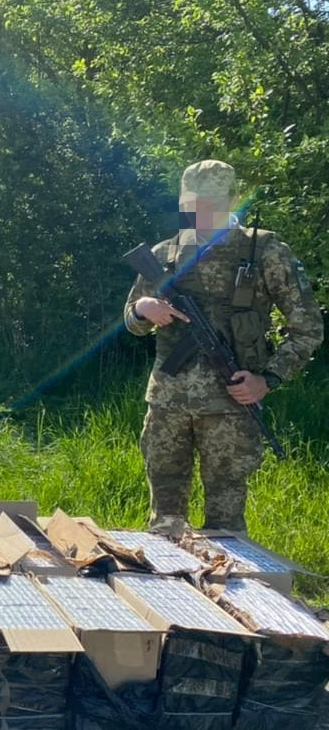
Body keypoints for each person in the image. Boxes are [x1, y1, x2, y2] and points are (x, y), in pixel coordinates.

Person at [123, 160, 322, 538]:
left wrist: (268, 378)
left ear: (231, 199)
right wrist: (142, 309)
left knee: (226, 529)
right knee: (164, 524)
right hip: (167, 406)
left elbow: (308, 328)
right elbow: (132, 322)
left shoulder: (264, 252)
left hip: (230, 408)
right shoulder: (164, 255)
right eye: (192, 205)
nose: (200, 213)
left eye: (210, 204)